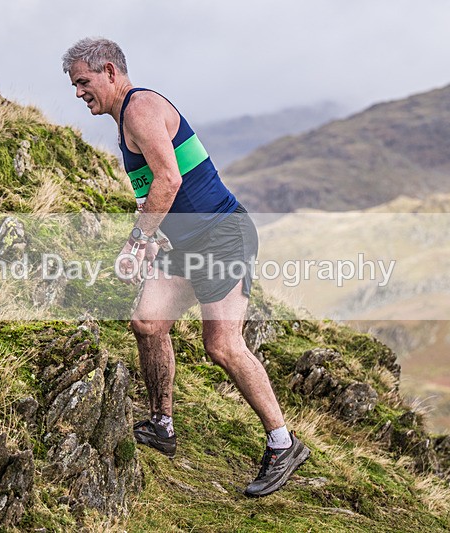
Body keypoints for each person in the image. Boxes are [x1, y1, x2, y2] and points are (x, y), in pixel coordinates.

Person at [62, 37, 310, 497]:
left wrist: (136, 241)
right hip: (184, 243)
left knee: (221, 343)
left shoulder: (140, 109)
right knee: (148, 322)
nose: (78, 93)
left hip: (222, 235)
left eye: (83, 81)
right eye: (74, 85)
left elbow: (170, 179)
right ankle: (161, 424)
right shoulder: (125, 121)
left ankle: (283, 442)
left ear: (111, 72)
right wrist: (153, 237)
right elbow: (156, 189)